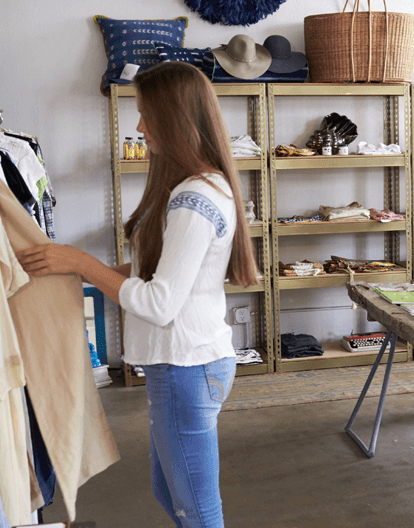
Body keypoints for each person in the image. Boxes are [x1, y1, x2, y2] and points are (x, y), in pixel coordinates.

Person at [17, 61, 258, 528]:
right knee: (171, 493)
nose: (141, 125)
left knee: (197, 511)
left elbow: (159, 302)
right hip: (188, 364)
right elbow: (158, 272)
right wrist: (80, 272)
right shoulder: (200, 187)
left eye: (147, 114)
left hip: (185, 367)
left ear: (176, 118)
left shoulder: (195, 199)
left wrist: (81, 263)